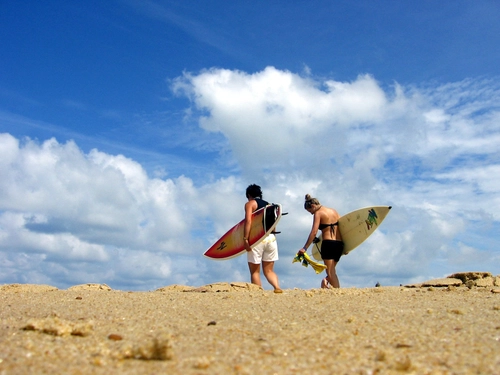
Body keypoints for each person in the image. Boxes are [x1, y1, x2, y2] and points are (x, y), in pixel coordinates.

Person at [297, 194, 343, 288]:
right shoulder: (334, 211)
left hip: (328, 244)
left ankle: (337, 293)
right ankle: (327, 282)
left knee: (330, 272)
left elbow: (314, 232)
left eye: (310, 211)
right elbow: (343, 227)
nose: (311, 214)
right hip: (339, 244)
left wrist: (305, 248)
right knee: (332, 270)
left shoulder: (318, 213)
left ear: (313, 206)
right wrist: (348, 246)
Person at [243, 184, 282, 293]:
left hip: (257, 239)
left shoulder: (250, 204)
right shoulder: (269, 205)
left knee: (255, 272)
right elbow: (275, 222)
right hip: (271, 239)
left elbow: (248, 221)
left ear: (249, 195)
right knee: (269, 270)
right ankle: (277, 288)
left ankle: (258, 293)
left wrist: (245, 239)